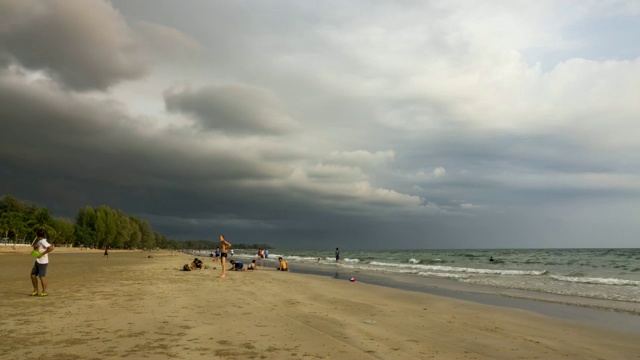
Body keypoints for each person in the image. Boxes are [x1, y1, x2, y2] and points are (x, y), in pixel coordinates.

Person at [30, 229, 54, 296]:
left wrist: (42, 254)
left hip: (43, 262)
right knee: (33, 275)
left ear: (37, 235)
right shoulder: (39, 241)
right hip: (37, 261)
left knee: (41, 276)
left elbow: (51, 248)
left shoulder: (43, 242)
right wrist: (34, 250)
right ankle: (36, 290)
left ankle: (44, 291)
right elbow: (37, 249)